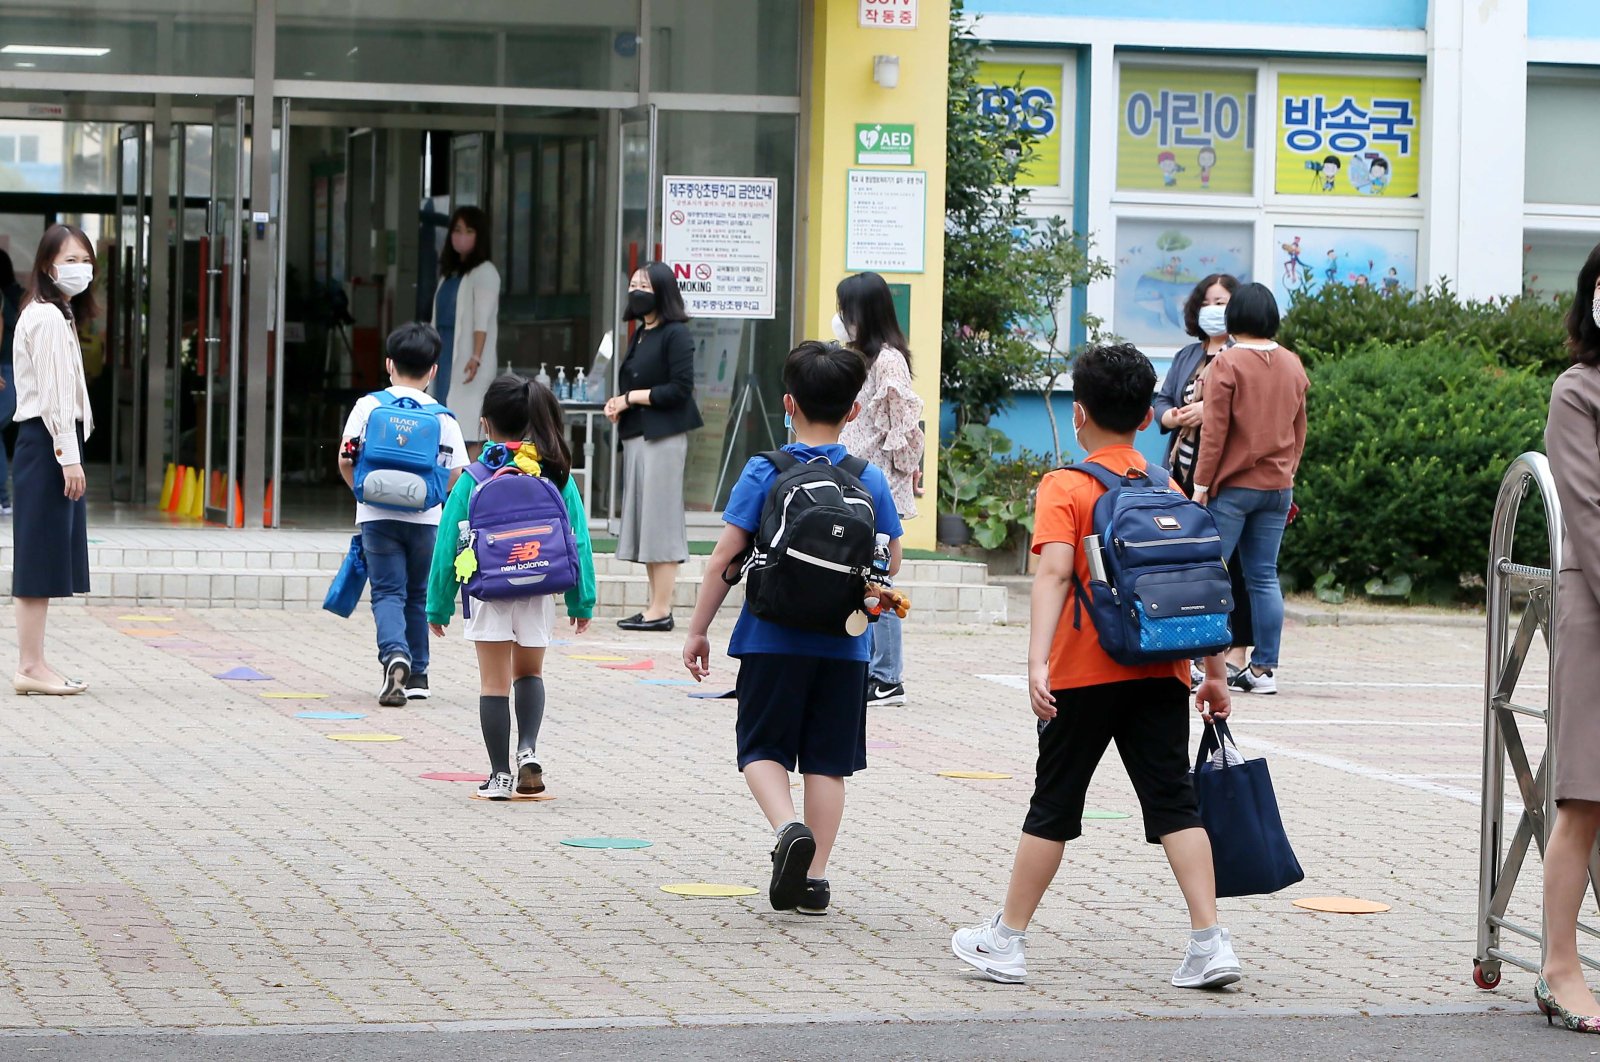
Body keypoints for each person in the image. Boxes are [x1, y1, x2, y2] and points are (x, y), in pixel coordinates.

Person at [949, 342, 1239, 988]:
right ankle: (1210, 942)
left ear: (1078, 415)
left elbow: (1053, 573)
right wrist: (1213, 673)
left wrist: (1035, 663)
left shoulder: (1066, 485)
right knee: (1174, 805)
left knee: (1052, 805)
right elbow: (1200, 578)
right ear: (1145, 418)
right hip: (1161, 668)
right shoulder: (1166, 484)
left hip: (1082, 672)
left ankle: (1007, 940)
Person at [682, 340, 903, 917]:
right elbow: (891, 562)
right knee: (828, 762)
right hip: (846, 642)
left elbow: (723, 559)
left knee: (760, 746)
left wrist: (697, 630)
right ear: (853, 411)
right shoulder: (868, 478)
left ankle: (787, 829)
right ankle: (816, 881)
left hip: (769, 636)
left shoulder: (765, 470)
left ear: (787, 403)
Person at [428, 374, 596, 801]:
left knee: (493, 683)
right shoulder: (554, 472)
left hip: (487, 590)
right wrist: (582, 598)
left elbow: (448, 542)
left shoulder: (474, 476)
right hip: (539, 584)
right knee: (530, 672)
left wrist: (438, 605)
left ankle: (499, 776)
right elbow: (577, 538)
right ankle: (528, 751)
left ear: (485, 425)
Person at [1537, 240, 1600, 1034]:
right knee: (1585, 797)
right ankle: (1559, 966)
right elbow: (1586, 517)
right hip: (1596, 612)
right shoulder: (1578, 391)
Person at [339, 322, 468, 707]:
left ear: (388, 364)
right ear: (434, 371)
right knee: (416, 594)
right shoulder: (443, 417)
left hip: (376, 517)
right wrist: (427, 498)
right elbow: (457, 472)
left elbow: (346, 457)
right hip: (425, 521)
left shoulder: (369, 406)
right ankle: (419, 675)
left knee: (387, 592)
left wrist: (364, 494)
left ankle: (395, 654)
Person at [1190, 283, 1308, 697]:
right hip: (1278, 488)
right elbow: (1300, 430)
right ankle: (1264, 670)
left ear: (1234, 318)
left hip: (1234, 487)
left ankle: (1199, 663)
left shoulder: (1227, 363)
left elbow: (1215, 433)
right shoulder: (1293, 364)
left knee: (1209, 573)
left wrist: (1201, 486)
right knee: (1263, 577)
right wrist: (1287, 472)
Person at [1153, 273, 1253, 684]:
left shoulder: (1243, 355)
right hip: (1182, 469)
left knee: (1232, 564)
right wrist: (1172, 415)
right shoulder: (1187, 355)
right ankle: (1189, 647)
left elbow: (1245, 412)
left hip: (1226, 476)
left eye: (1224, 302)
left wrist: (1207, 414)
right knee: (1186, 559)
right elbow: (1162, 399)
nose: (1215, 309)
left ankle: (1237, 650)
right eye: (1209, 301)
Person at [11, 225, 95, 696]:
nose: (80, 269)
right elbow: (54, 397)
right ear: (47, 265)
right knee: (37, 559)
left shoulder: (56, 314)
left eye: (85, 260)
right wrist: (68, 455)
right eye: (70, 260)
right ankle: (30, 666)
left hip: (48, 446)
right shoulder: (44, 318)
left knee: (43, 555)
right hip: (45, 444)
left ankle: (35, 663)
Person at [836, 272, 924, 709]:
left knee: (878, 576)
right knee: (863, 575)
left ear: (863, 313)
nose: (841, 318)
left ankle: (887, 676)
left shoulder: (888, 361)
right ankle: (870, 666)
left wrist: (904, 473)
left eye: (845, 309)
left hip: (878, 483)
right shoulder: (860, 358)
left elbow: (904, 427)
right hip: (855, 479)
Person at [605, 261, 702, 632]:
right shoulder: (641, 333)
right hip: (638, 437)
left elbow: (680, 388)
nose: (636, 290)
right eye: (632, 283)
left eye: (644, 284)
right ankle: (653, 606)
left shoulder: (676, 334)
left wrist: (629, 398)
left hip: (663, 437)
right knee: (647, 521)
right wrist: (620, 403)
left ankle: (661, 609)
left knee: (660, 522)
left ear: (662, 290)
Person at [431, 206, 500, 453]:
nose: (461, 236)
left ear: (479, 236)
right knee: (444, 424)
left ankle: (470, 487)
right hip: (445, 353)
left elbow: (482, 320)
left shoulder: (485, 272)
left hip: (469, 360)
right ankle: (448, 489)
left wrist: (476, 356)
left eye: (469, 231)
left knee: (469, 430)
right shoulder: (449, 274)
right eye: (457, 230)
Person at [0, 249, 21, 515]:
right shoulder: (22, 296)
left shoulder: (3, 298)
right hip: (16, 372)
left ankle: (2, 497)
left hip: (4, 372)